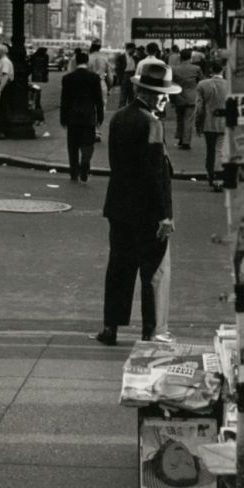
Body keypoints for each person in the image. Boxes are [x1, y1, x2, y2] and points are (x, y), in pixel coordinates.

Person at [97, 62, 182, 346]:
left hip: (119, 206)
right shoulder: (154, 124)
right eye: (163, 93)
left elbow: (116, 164)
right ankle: (152, 330)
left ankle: (110, 328)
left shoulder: (118, 117)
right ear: (151, 94)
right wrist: (165, 216)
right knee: (153, 272)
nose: (167, 99)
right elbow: (156, 173)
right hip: (147, 212)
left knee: (119, 269)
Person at [60, 51, 104, 182]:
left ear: (75, 62)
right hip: (89, 116)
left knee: (72, 146)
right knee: (88, 143)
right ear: (87, 62)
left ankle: (74, 172)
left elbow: (64, 100)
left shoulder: (68, 78)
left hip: (72, 116)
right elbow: (98, 100)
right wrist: (100, 116)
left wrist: (63, 118)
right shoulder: (94, 78)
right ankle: (85, 163)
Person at [194, 60, 228, 189]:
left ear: (210, 71)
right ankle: (218, 178)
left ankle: (211, 174)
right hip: (225, 123)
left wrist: (198, 124)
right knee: (220, 150)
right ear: (222, 70)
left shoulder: (202, 85)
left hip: (208, 123)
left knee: (210, 151)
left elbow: (199, 107)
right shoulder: (229, 85)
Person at [171, 49, 203, 149]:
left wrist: (171, 99)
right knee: (188, 120)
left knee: (179, 119)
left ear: (180, 57)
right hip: (192, 97)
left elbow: (171, 84)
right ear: (190, 57)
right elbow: (202, 81)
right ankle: (186, 142)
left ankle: (180, 139)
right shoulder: (196, 68)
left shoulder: (174, 69)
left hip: (178, 96)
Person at [88, 39, 111, 140]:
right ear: (100, 47)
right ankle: (97, 131)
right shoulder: (105, 58)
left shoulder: (88, 58)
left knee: (90, 107)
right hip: (101, 84)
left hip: (89, 84)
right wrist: (109, 87)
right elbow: (110, 76)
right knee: (101, 108)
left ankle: (90, 130)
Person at [116, 42, 137, 106]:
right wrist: (120, 78)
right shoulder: (121, 57)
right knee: (123, 96)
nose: (134, 51)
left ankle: (131, 111)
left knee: (132, 96)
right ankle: (121, 112)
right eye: (133, 49)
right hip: (125, 76)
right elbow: (118, 68)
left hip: (133, 75)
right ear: (128, 49)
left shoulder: (135, 57)